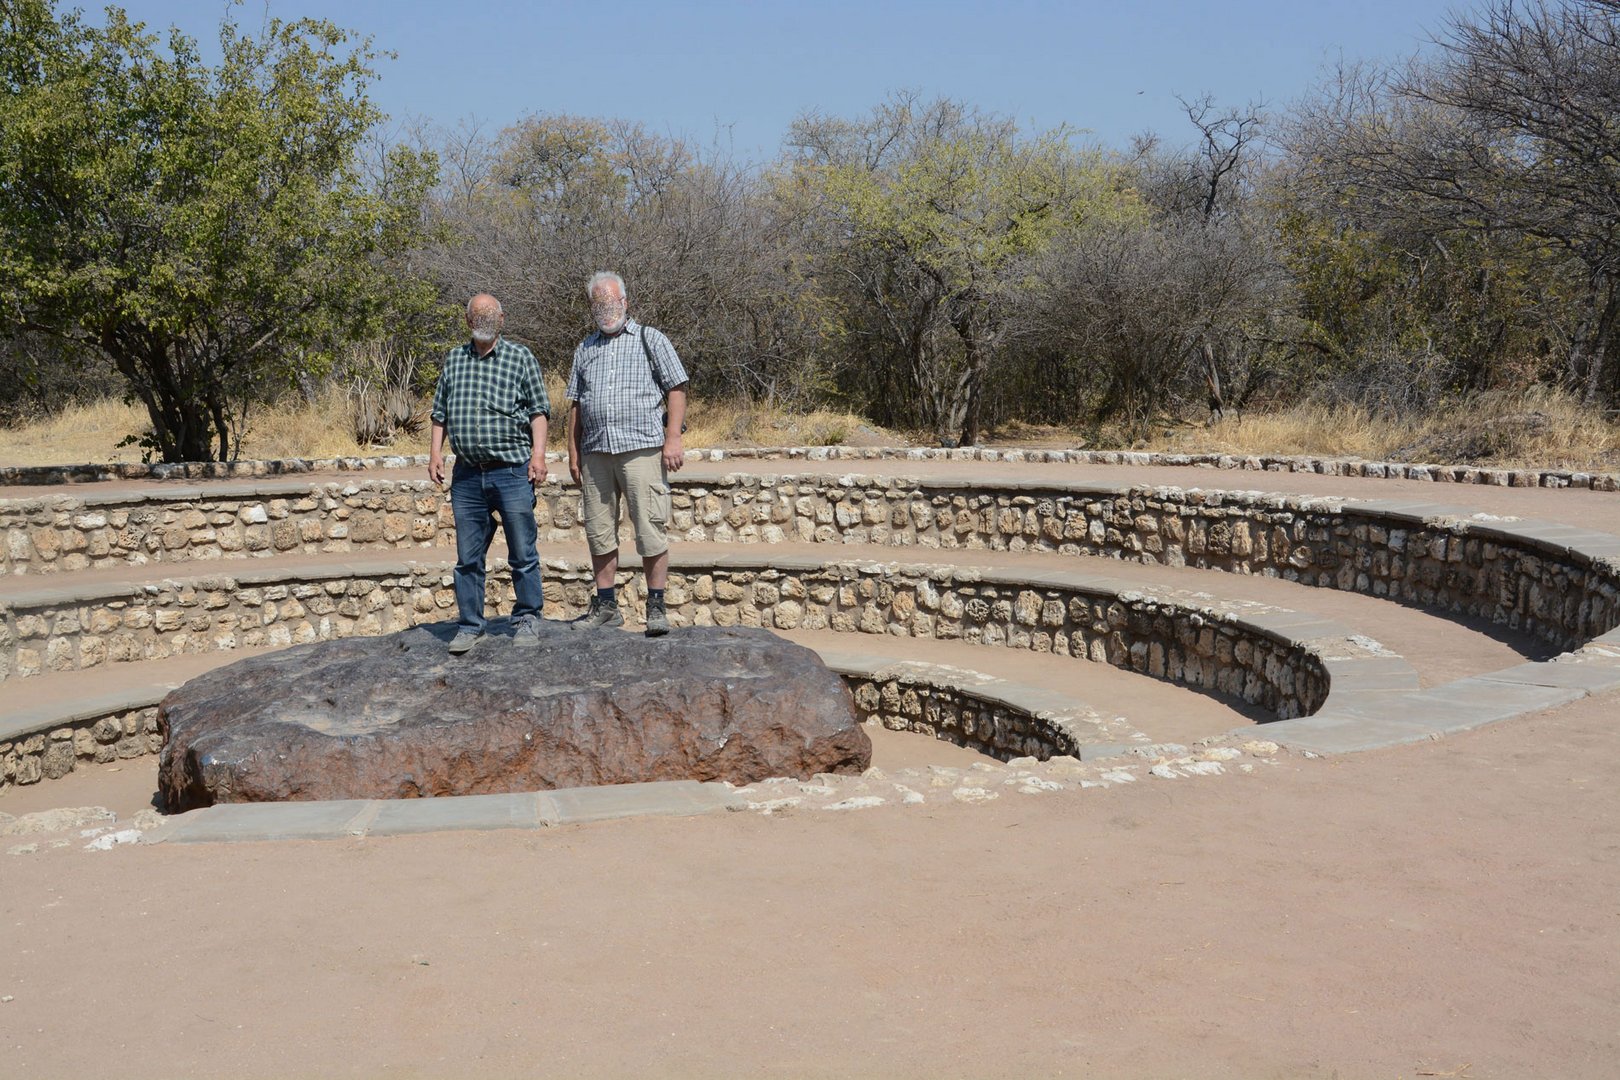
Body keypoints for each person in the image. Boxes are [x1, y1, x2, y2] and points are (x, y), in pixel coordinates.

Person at [565, 271, 689, 636]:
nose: (606, 309)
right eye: (599, 303)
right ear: (592, 307)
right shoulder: (584, 348)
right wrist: (573, 452)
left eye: (612, 302)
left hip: (642, 450)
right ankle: (606, 605)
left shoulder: (651, 339)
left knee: (650, 527)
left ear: (625, 302)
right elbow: (575, 404)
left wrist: (673, 439)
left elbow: (677, 387)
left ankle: (656, 605)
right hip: (596, 452)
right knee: (599, 532)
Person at [428, 293, 550, 654]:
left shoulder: (520, 357)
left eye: (490, 313)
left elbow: (539, 411)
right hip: (466, 475)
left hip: (511, 470)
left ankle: (528, 616)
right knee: (468, 557)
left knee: (522, 552)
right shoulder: (454, 359)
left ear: (502, 318)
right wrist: (435, 454)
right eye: (477, 314)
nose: (484, 319)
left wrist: (538, 456)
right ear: (467, 320)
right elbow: (439, 414)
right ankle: (469, 625)